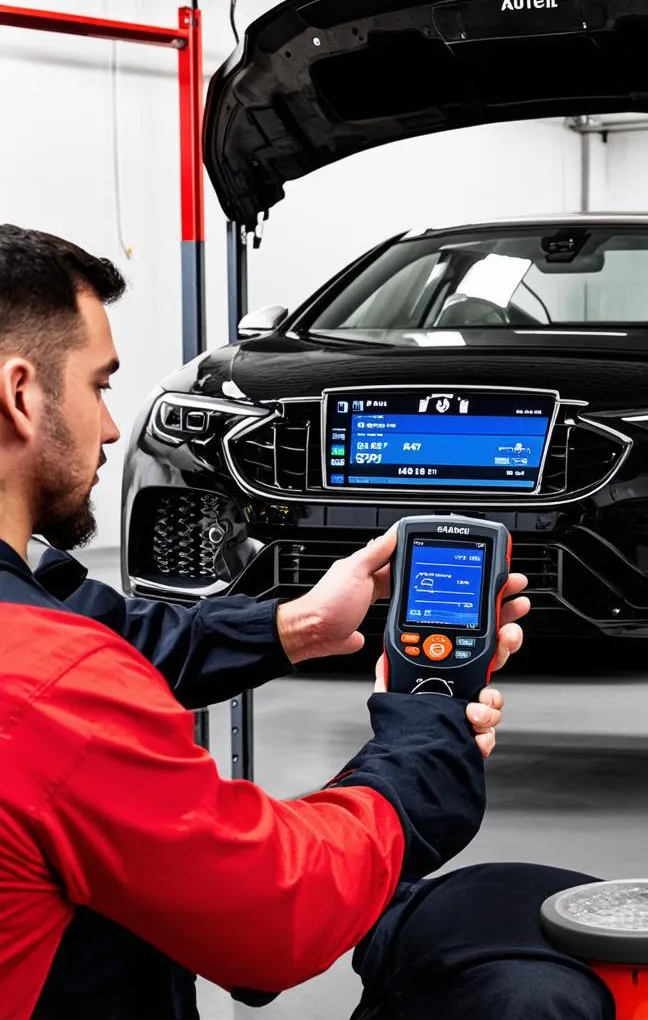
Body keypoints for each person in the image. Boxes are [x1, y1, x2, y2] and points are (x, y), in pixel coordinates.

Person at [0, 225, 614, 1020]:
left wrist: (300, 624)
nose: (113, 429)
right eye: (101, 386)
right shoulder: (51, 691)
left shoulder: (42, 632)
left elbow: (110, 633)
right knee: (523, 956)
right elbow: (275, 923)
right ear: (21, 396)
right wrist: (427, 733)